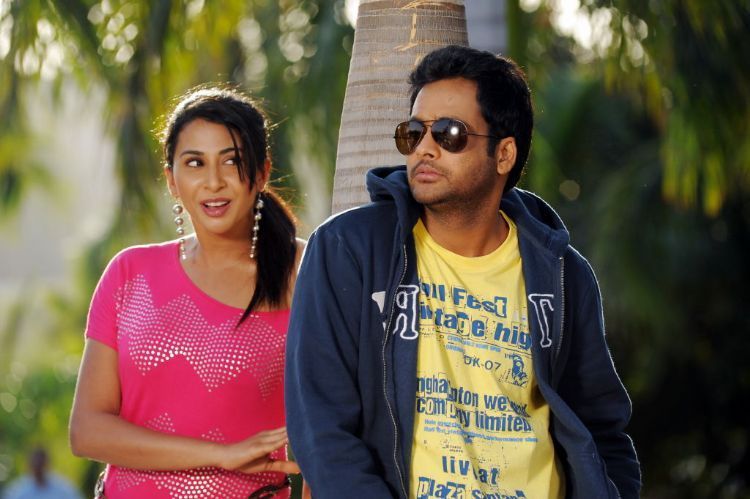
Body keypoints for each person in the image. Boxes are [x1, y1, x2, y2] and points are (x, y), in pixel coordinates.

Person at [285, 45, 640, 498]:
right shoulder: (348, 250)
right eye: (414, 132)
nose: (425, 149)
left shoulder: (563, 275)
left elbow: (602, 429)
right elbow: (321, 427)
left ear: (504, 154)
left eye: (449, 133)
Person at [69, 87, 305, 498]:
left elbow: (336, 421)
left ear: (262, 172)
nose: (213, 182)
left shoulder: (302, 273)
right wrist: (221, 455)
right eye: (195, 163)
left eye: (232, 161)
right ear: (172, 180)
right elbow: (87, 430)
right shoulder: (130, 274)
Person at [2, 447, 82, 499]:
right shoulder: (17, 491)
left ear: (47, 464)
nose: (39, 468)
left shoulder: (64, 489)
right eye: (36, 464)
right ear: (29, 465)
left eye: (41, 464)